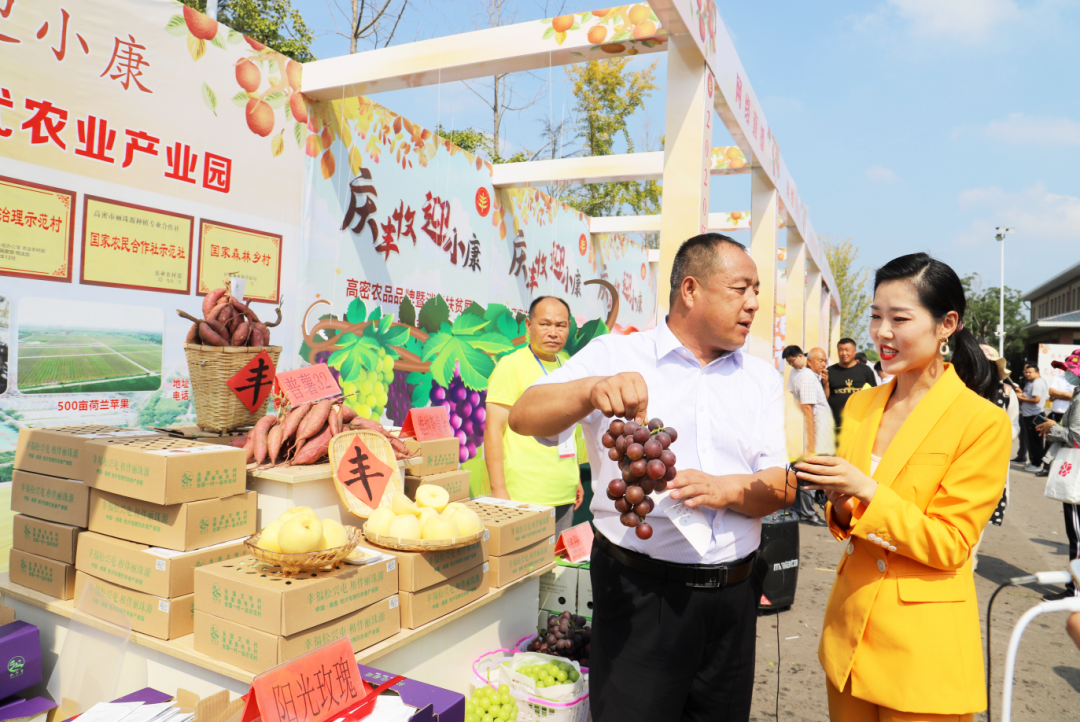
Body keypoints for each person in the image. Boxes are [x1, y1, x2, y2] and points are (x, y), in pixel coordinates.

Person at [509, 233, 793, 722]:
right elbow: (523, 416)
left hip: (734, 600)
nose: (753, 303)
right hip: (640, 595)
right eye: (740, 289)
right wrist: (590, 390)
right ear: (690, 290)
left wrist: (724, 490)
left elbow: (782, 484)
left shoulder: (761, 378)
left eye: (756, 291)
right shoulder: (614, 355)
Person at [795, 253, 1009, 721]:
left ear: (946, 324)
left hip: (921, 651)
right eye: (876, 316)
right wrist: (840, 502)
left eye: (900, 318)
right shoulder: (862, 405)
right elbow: (850, 518)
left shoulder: (981, 422)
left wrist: (867, 490)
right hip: (848, 637)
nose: (882, 332)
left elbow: (951, 544)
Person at [485, 296, 584, 536]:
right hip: (523, 495)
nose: (553, 333)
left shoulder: (568, 366)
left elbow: (570, 428)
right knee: (525, 560)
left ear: (569, 327)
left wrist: (576, 478)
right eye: (545, 324)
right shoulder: (512, 365)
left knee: (555, 560)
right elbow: (493, 430)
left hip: (564, 492)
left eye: (560, 325)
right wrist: (499, 490)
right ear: (529, 326)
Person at [1036, 349, 1080, 598]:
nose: (1067, 375)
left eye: (1071, 371)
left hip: (1077, 472)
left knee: (1077, 535)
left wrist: (1053, 427)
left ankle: (1075, 591)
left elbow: (1076, 437)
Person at [782, 345, 830, 526]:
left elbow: (822, 401)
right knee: (807, 472)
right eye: (789, 363)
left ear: (801, 357)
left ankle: (802, 511)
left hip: (813, 430)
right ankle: (806, 513)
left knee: (805, 472)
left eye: (792, 361)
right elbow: (805, 408)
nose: (791, 365)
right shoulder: (803, 376)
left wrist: (825, 383)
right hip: (807, 431)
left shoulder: (812, 375)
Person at [827, 337, 877, 430]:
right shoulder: (830, 371)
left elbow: (875, 395)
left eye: (847, 350)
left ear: (854, 352)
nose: (844, 353)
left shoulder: (865, 370)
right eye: (840, 350)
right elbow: (824, 397)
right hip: (837, 426)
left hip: (860, 425)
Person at [1037, 370, 1076, 477]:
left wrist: (1059, 395)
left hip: (1072, 417)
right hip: (1056, 415)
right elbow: (1052, 393)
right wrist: (1069, 396)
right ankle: (1046, 468)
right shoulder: (1058, 378)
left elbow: (1074, 396)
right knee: (1050, 441)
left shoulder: (1077, 380)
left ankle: (1065, 471)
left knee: (1069, 443)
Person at [1016, 364, 1048, 473]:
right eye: (1026, 372)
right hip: (1031, 415)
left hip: (1034, 415)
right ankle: (1034, 461)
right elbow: (1030, 397)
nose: (1027, 374)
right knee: (1032, 440)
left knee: (1035, 441)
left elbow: (1036, 400)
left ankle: (1037, 464)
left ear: (1037, 372)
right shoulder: (1034, 382)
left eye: (1030, 372)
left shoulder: (1037, 383)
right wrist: (1022, 394)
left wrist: (1021, 398)